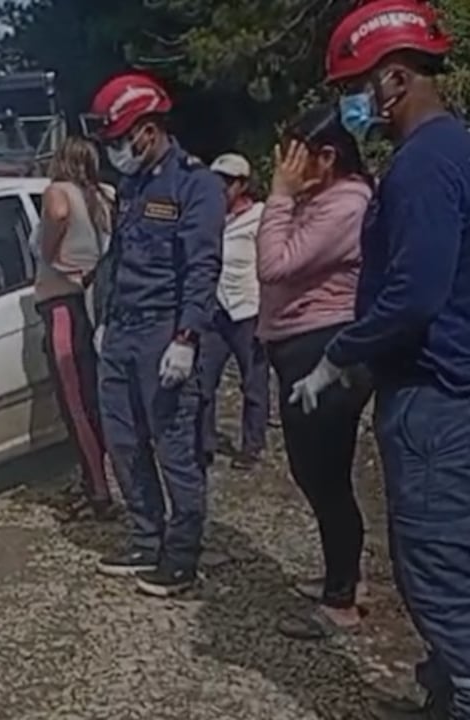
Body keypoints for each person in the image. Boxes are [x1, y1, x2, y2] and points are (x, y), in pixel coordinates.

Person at [294, 2, 470, 717]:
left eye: (355, 88)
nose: (351, 106)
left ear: (394, 80)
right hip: (450, 388)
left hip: (435, 394)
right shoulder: (455, 149)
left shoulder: (423, 167)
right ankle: (443, 687)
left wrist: (341, 354)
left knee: (434, 568)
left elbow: (415, 292)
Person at [87, 72, 225, 596]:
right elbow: (117, 259)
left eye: (121, 140)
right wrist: (104, 318)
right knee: (123, 443)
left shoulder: (197, 184)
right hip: (122, 331)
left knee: (174, 450)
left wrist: (187, 337)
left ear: (148, 130)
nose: (116, 151)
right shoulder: (132, 185)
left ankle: (182, 556)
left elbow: (201, 265)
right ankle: (146, 539)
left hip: (164, 332)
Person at [255, 105, 373, 642]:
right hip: (296, 345)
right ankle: (341, 577)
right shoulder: (321, 200)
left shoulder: (346, 204)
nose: (287, 165)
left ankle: (342, 598)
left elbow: (275, 264)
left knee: (323, 474)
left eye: (298, 155)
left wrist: (278, 197)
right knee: (314, 473)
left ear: (327, 157)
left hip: (320, 345)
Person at [34, 136, 114, 521]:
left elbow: (59, 213)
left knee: (75, 404)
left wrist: (48, 252)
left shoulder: (58, 192)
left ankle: (99, 491)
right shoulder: (102, 197)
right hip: (91, 305)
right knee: (94, 399)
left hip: (62, 304)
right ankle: (106, 481)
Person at [198, 153, 269, 471]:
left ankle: (252, 445)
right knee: (203, 379)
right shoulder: (212, 218)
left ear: (241, 184)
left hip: (248, 309)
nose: (220, 188)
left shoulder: (261, 218)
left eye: (226, 182)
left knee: (253, 381)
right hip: (217, 308)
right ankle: (204, 442)